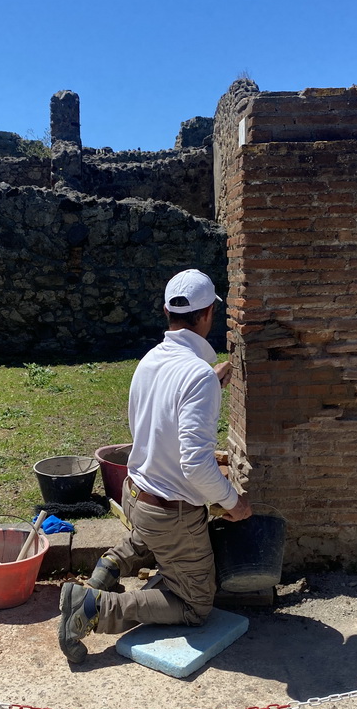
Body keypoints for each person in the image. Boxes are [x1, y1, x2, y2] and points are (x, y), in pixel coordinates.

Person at [58, 268, 252, 664]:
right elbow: (196, 465)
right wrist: (234, 503)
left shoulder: (149, 361)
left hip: (134, 496)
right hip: (169, 513)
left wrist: (209, 382)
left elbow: (155, 421)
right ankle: (92, 607)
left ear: (167, 312)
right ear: (208, 315)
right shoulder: (197, 376)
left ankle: (105, 572)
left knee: (148, 539)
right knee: (195, 604)